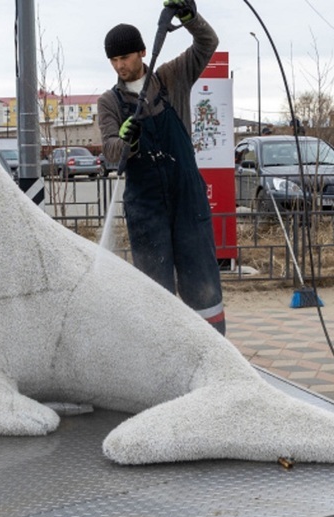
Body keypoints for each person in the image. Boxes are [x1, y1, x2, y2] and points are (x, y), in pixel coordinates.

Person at [97, 0, 226, 335]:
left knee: (203, 285)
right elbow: (112, 152)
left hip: (187, 200)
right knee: (154, 293)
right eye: (113, 59)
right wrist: (126, 141)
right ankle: (162, 355)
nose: (119, 66)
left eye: (124, 57)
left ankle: (213, 352)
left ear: (142, 52)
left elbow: (207, 43)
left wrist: (189, 17)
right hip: (146, 209)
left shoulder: (172, 77)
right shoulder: (109, 102)